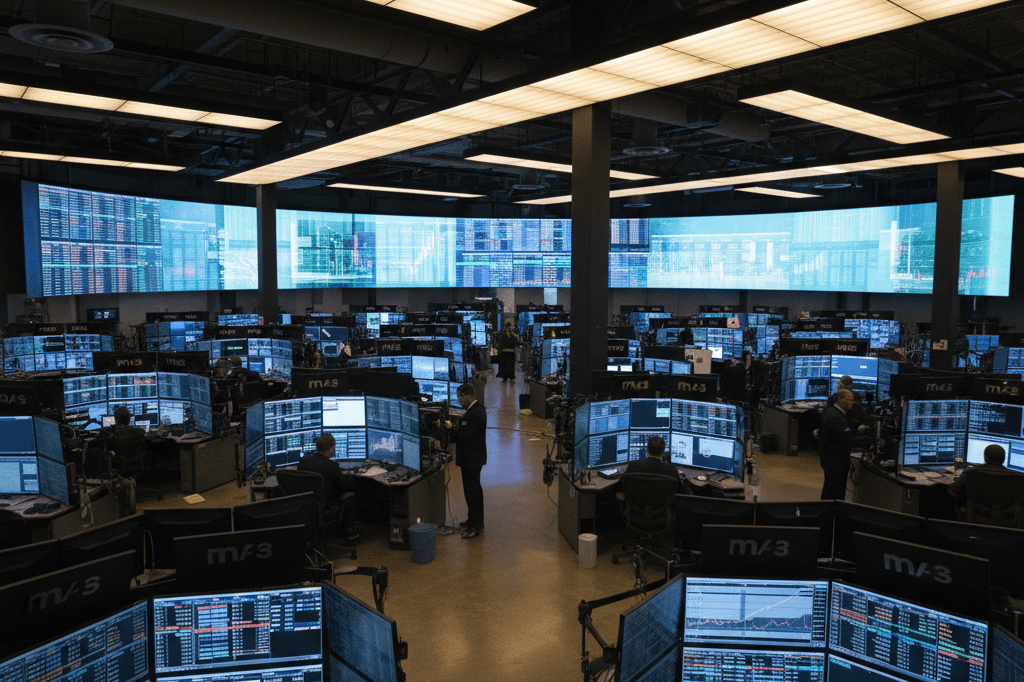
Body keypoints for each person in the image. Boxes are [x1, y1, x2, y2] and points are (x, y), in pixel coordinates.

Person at [297, 433, 359, 545]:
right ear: (331, 449)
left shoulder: (303, 462)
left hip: (304, 507)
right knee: (351, 496)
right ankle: (348, 532)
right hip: (325, 507)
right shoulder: (331, 466)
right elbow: (347, 484)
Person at [446, 383, 487, 538]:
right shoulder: (478, 409)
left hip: (471, 459)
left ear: (468, 396)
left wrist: (450, 429)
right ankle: (474, 520)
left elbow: (464, 437)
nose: (459, 400)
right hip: (475, 458)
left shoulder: (473, 414)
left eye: (460, 397)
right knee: (475, 490)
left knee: (472, 493)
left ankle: (474, 527)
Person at [819, 388, 867, 500]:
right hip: (836, 462)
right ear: (840, 399)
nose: (852, 403)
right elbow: (847, 437)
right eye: (849, 400)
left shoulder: (830, 411)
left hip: (830, 459)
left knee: (828, 490)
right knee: (836, 493)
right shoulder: (836, 417)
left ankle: (826, 514)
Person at [948, 443, 1023, 501]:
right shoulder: (1017, 477)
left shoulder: (970, 472)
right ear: (1003, 460)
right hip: (1007, 517)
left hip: (976, 515)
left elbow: (953, 490)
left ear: (985, 458)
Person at [624, 435, 694, 495]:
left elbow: (621, 486)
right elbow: (683, 492)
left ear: (647, 449)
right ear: (663, 452)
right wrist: (686, 482)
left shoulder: (632, 467)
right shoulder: (671, 470)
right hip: (663, 509)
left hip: (637, 507)